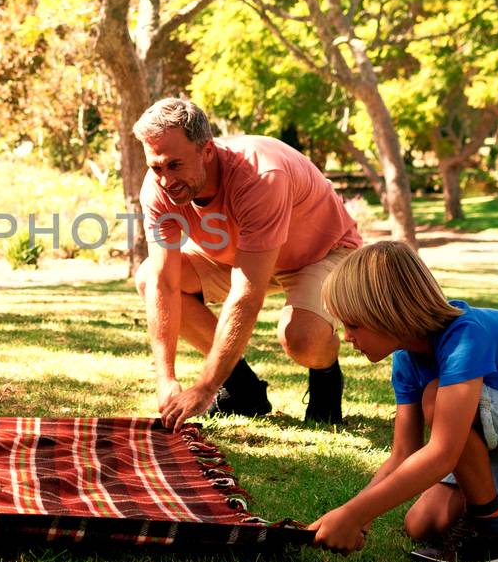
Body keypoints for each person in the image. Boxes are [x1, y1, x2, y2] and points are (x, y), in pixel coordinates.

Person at [308, 241, 498, 562]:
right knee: (424, 524)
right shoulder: (406, 358)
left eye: (353, 324)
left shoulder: (466, 336)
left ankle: (495, 540)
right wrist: (352, 515)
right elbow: (403, 454)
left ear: (387, 311)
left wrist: (355, 515)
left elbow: (442, 453)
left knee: (437, 397)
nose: (348, 337)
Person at [133, 99, 363, 428]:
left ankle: (326, 378)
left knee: (301, 339)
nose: (166, 180)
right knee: (148, 278)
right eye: (156, 167)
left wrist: (205, 386)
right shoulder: (157, 190)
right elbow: (164, 283)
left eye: (175, 165)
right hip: (237, 255)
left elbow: (246, 296)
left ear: (207, 151)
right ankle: (243, 390)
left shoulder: (260, 175)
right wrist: (165, 378)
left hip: (322, 253)